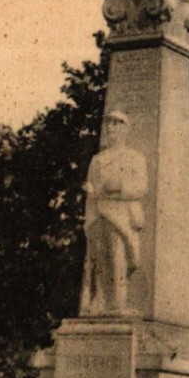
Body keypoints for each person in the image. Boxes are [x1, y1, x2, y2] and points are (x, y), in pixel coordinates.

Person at [80, 110, 148, 315]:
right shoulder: (98, 159)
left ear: (126, 129)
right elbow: (91, 185)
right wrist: (91, 192)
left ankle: (118, 304)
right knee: (99, 260)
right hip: (99, 214)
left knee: (119, 259)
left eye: (117, 124)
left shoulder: (135, 157)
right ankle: (100, 302)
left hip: (121, 216)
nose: (111, 128)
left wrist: (118, 187)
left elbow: (141, 187)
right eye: (109, 124)